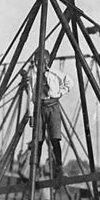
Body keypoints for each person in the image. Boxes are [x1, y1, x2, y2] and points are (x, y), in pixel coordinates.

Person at [30, 49, 74, 178]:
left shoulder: (54, 74)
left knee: (55, 138)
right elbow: (31, 96)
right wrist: (31, 115)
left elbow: (70, 82)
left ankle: (59, 167)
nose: (39, 63)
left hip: (53, 106)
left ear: (47, 61)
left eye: (42, 60)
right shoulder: (32, 75)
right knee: (38, 140)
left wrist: (59, 93)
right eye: (37, 60)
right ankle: (35, 169)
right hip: (39, 108)